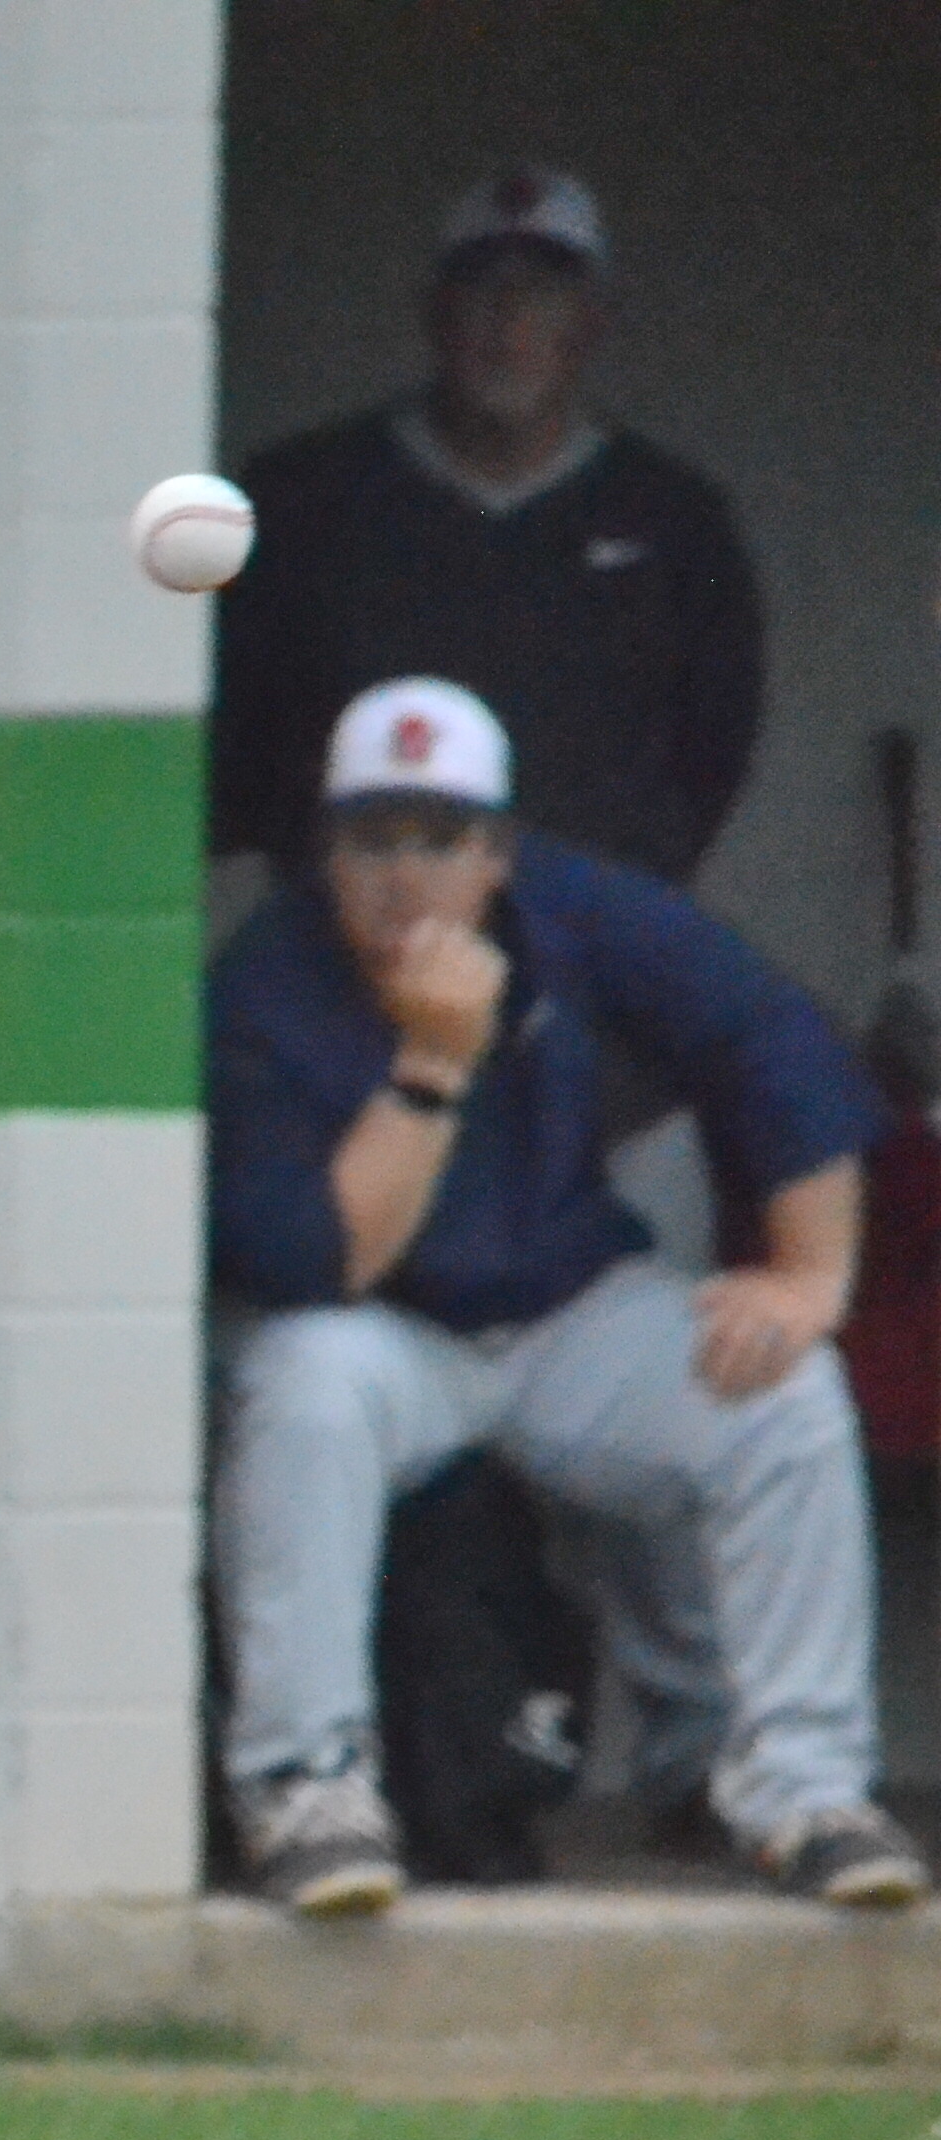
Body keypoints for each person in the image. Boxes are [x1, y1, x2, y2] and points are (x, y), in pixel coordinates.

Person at [208, 676, 925, 1917]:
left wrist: (812, 1274)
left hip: (563, 1312)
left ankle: (805, 1791)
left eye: (439, 840)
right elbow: (326, 1263)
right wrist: (432, 1061)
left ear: (497, 853)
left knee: (783, 1391)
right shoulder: (263, 980)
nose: (403, 876)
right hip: (382, 1334)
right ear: (324, 854)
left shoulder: (572, 908)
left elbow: (766, 1034)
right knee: (304, 1387)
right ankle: (304, 1783)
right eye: (371, 839)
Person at [211, 167, 762, 888]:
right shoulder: (307, 497)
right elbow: (239, 733)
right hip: (355, 925)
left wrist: (619, 892)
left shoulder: (673, 519)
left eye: (543, 293)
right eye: (482, 289)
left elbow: (713, 747)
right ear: (437, 314)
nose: (509, 322)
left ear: (591, 321)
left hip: (586, 930)